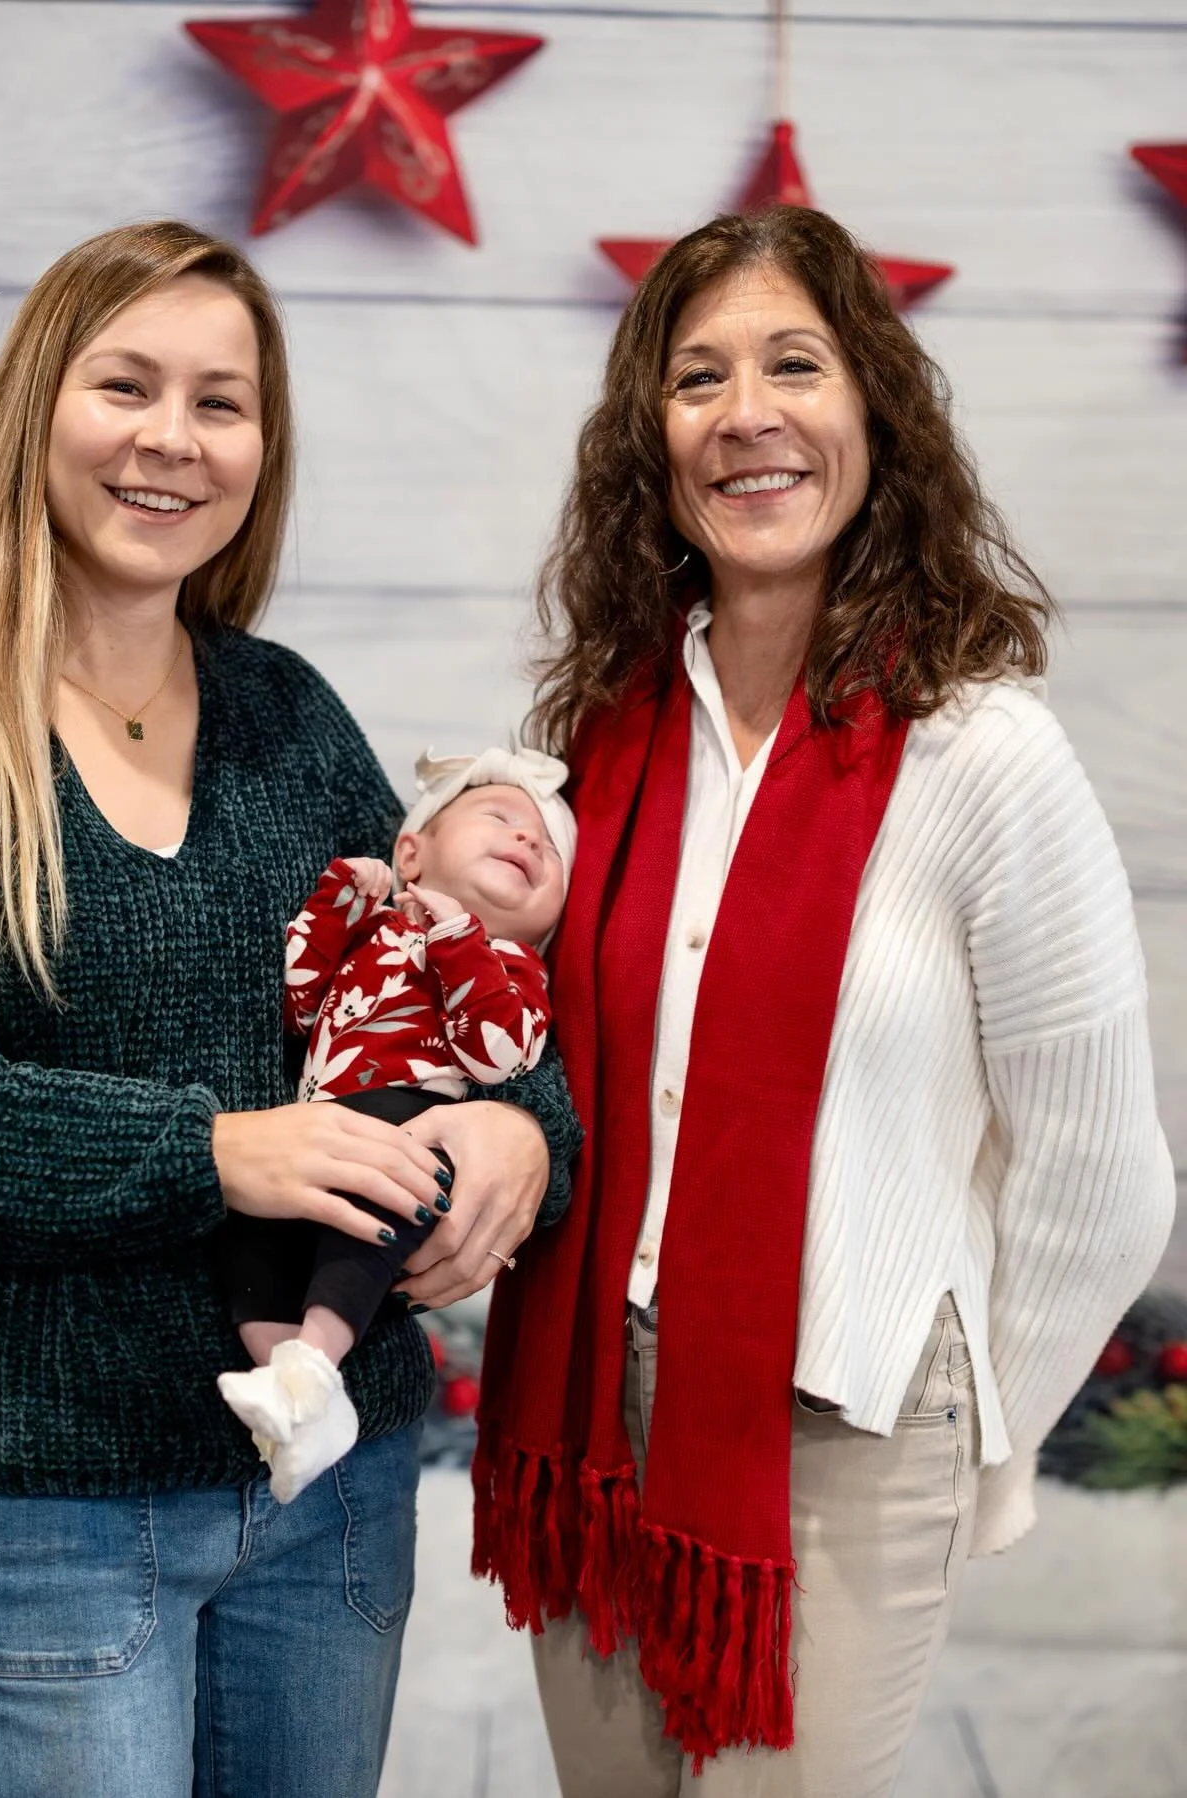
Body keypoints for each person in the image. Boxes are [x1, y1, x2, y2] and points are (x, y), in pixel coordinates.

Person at [0, 221, 579, 1798]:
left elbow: (447, 977)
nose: (171, 438)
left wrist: (514, 1129)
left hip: (326, 1494)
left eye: (222, 401)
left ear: (259, 451)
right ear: (35, 414)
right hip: (40, 1502)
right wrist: (217, 1151)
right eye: (125, 384)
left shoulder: (285, 714)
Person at [470, 204, 1176, 1798]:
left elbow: (1101, 1174)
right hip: (593, 1401)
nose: (749, 415)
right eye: (698, 377)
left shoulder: (982, 755)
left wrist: (971, 1421)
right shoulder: (604, 735)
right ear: (653, 440)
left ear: (877, 413)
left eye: (797, 363)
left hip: (848, 1424)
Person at [218, 747, 574, 1503]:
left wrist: (457, 942)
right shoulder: (371, 933)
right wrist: (338, 906)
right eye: (501, 819)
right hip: (315, 1131)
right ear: (412, 851)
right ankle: (294, 1401)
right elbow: (298, 1004)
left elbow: (497, 1056)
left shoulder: (516, 966)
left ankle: (316, 1360)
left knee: (366, 1205)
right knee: (251, 1243)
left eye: (546, 848)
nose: (526, 841)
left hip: (413, 1126)